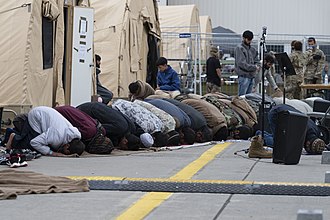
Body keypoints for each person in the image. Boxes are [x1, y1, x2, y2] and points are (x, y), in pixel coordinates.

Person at [6, 106, 85, 157]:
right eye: (66, 152)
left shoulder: (74, 135)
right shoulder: (57, 136)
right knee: (29, 146)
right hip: (37, 115)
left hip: (45, 112)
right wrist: (53, 153)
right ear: (67, 146)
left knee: (44, 146)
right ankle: (12, 135)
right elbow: (34, 142)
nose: (64, 153)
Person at [77, 102, 144, 150]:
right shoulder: (119, 128)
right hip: (86, 110)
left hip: (94, 106)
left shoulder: (131, 127)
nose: (120, 148)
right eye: (123, 148)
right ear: (125, 142)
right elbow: (97, 129)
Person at [234, 30, 260, 96]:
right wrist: (254, 67)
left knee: (249, 98)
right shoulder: (239, 48)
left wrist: (257, 66)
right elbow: (242, 64)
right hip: (243, 76)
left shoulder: (252, 49)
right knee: (242, 97)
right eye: (248, 39)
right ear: (244, 38)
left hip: (251, 76)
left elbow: (257, 61)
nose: (249, 41)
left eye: (250, 40)